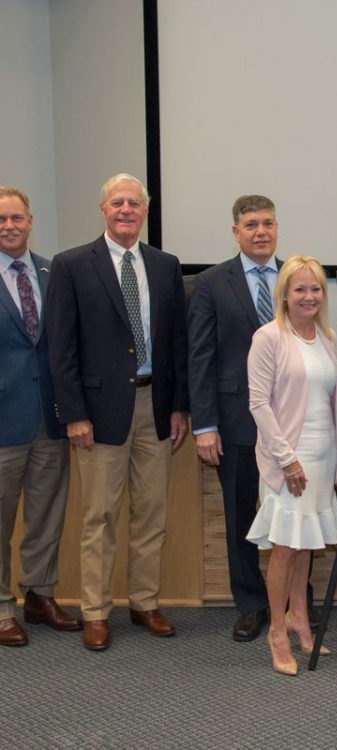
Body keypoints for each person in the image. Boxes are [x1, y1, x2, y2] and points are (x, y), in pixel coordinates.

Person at [46, 174, 189, 651]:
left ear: (145, 212)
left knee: (152, 513)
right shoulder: (71, 266)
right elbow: (61, 348)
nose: (126, 210)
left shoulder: (165, 266)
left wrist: (179, 406)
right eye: (117, 203)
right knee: (99, 517)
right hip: (98, 410)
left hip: (155, 405)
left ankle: (145, 602)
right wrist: (74, 413)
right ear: (102, 210)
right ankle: (95, 611)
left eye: (134, 203)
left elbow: (177, 344)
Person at [245, 255, 337, 676]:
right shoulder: (268, 338)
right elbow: (258, 403)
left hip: (324, 456)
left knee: (307, 543)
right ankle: (276, 630)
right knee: (285, 548)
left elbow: (336, 402)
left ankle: (299, 618)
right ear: (285, 294)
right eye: (300, 289)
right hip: (288, 460)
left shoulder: (326, 337)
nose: (309, 296)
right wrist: (287, 460)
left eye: (316, 289)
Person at [188, 195, 282, 642]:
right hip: (235, 419)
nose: (260, 231)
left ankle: (293, 599)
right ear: (236, 232)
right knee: (241, 513)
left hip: (293, 422)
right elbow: (200, 356)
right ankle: (250, 603)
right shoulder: (210, 283)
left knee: (294, 514)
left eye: (267, 223)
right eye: (251, 225)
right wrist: (204, 425)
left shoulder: (298, 278)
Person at [0, 186, 79, 647]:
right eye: (1, 219)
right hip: (4, 421)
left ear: (31, 222)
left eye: (17, 217)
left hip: (50, 417)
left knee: (46, 515)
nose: (9, 226)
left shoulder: (53, 273)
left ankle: (39, 594)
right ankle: (1, 607)